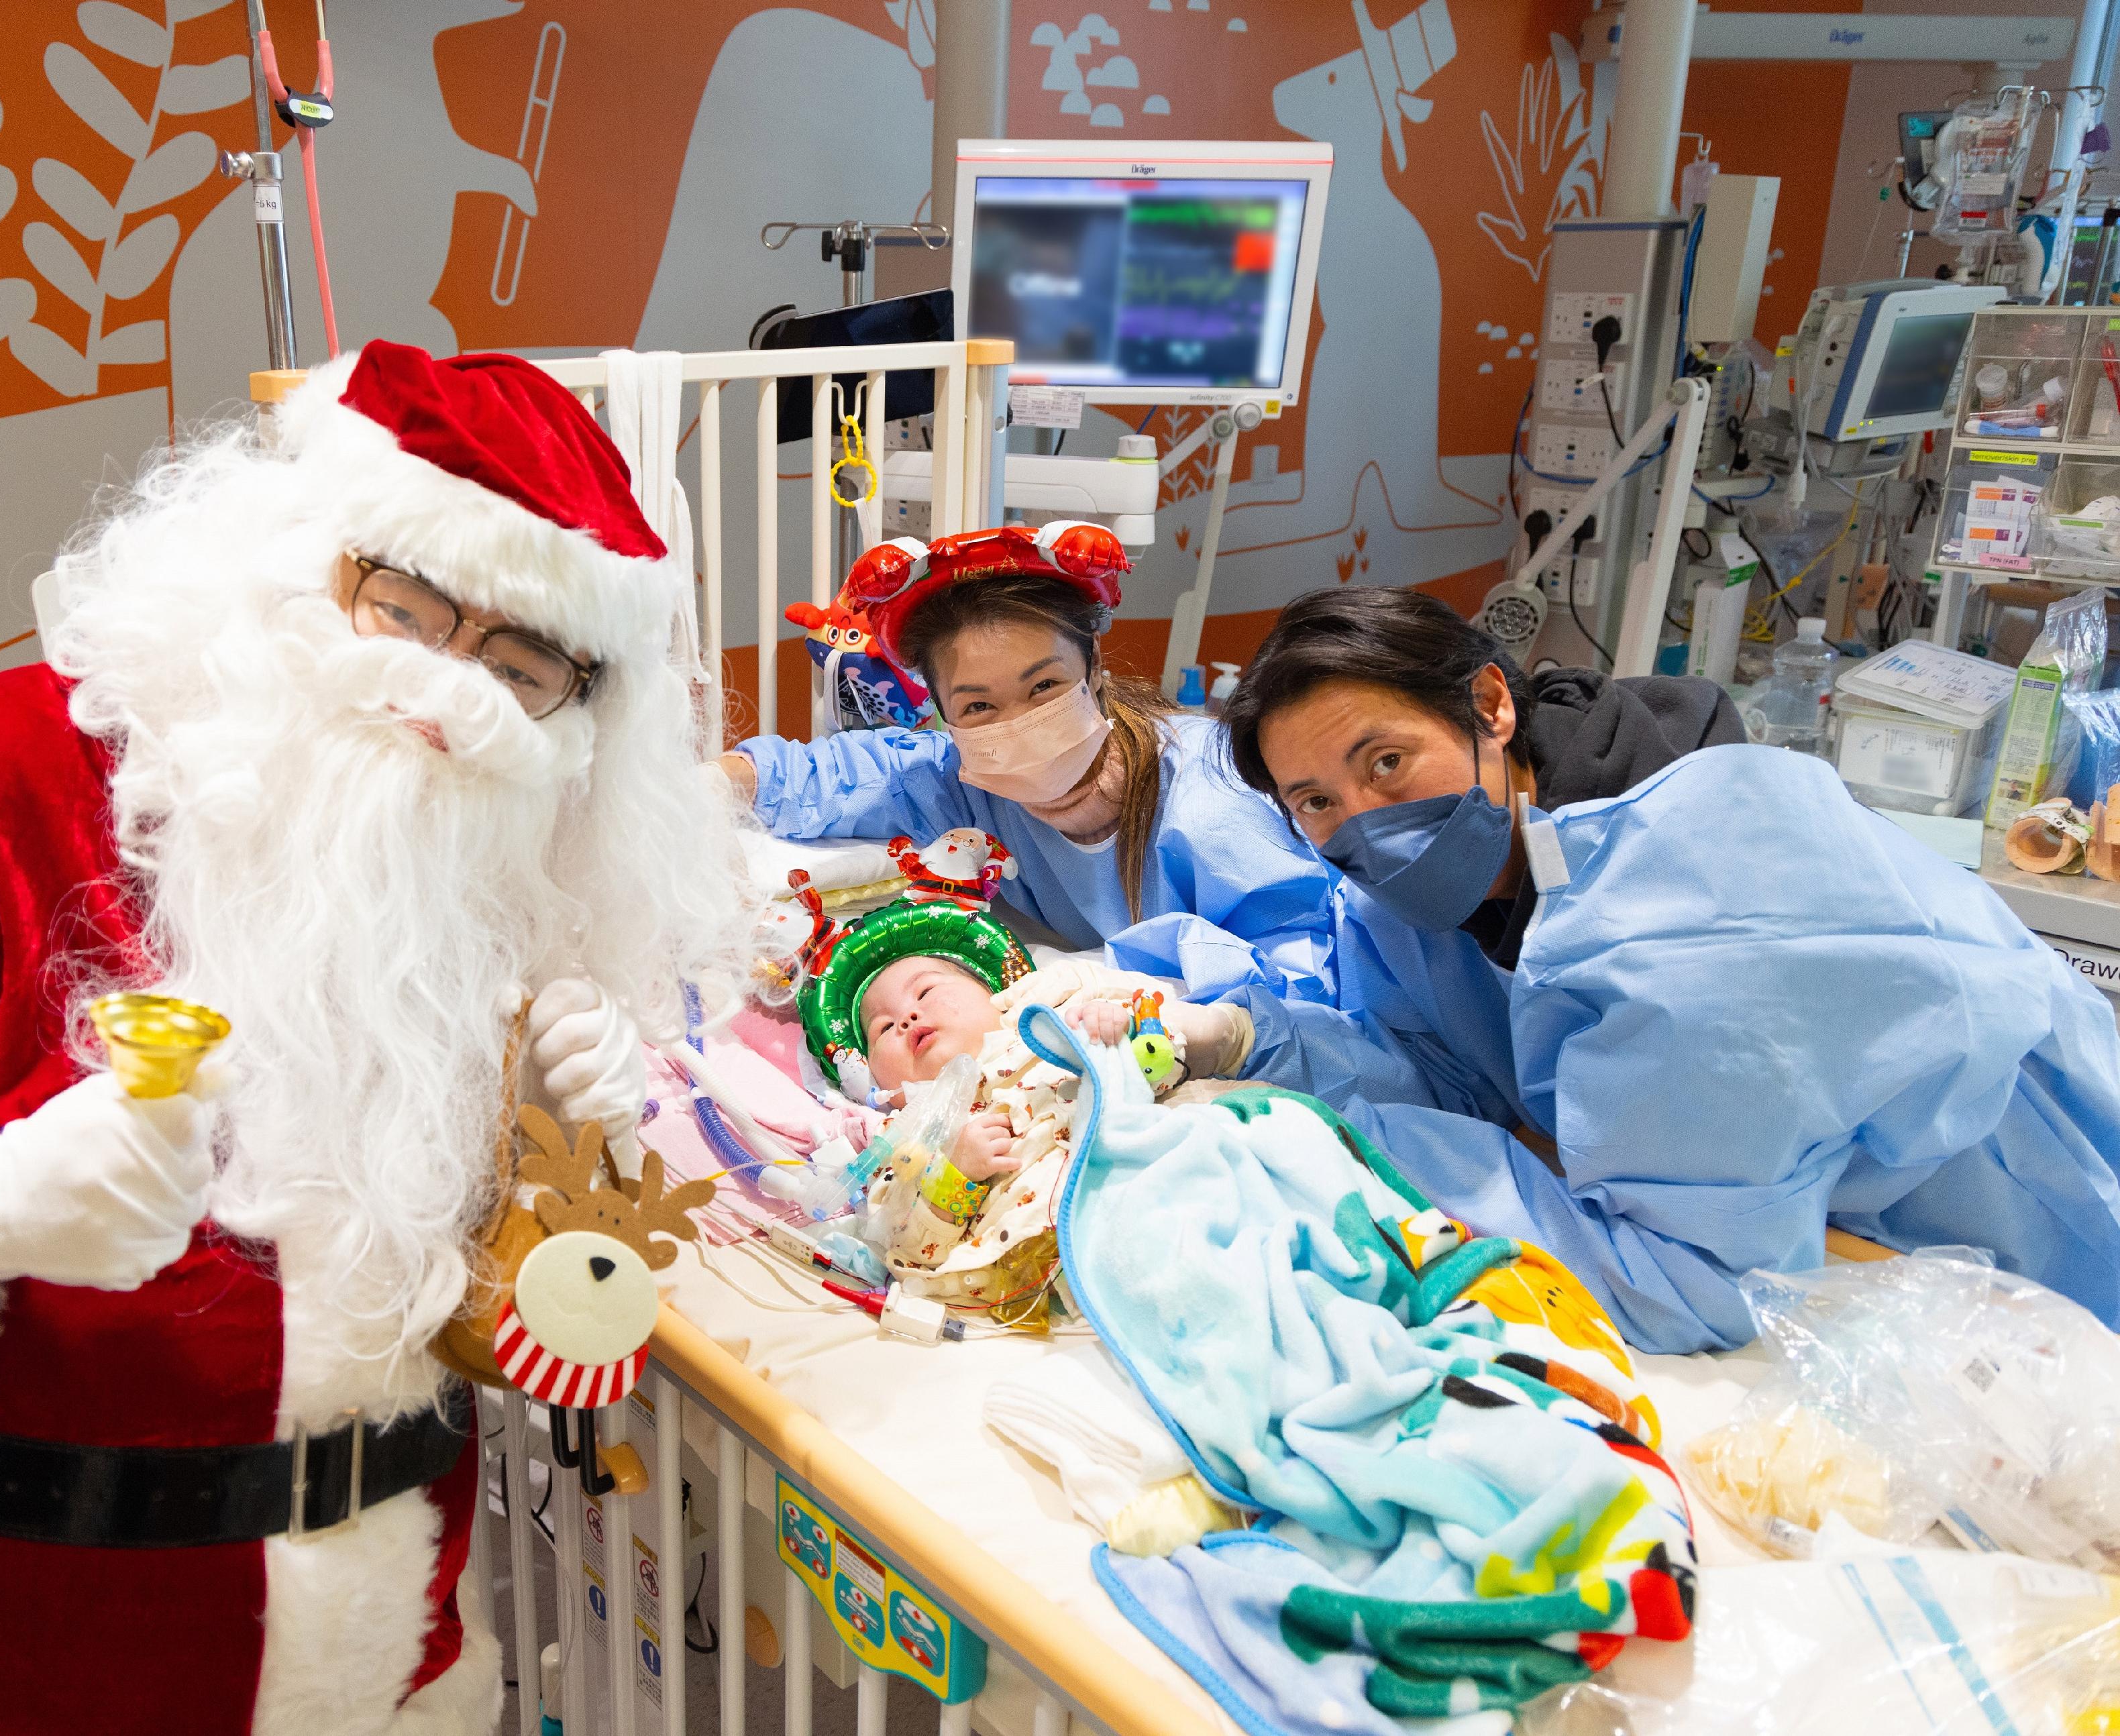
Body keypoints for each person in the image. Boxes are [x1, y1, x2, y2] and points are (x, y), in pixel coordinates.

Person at [0, 343, 749, 1736]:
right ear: (282, 560)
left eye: (520, 664)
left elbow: (491, 1327)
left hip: (386, 1673)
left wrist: (566, 1160)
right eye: (403, 605)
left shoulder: (504, 862)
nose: (448, 691)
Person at [1199, 584, 2120, 1355]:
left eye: (1387, 762)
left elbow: (1691, 1287)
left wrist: (1364, 1153)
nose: (1365, 821)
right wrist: (1260, 1045)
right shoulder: (1430, 888)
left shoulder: (1701, 913)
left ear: (1491, 707)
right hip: (1794, 1227)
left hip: (2014, 1228)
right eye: (1315, 801)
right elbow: (1454, 1071)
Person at [718, 525, 1339, 999]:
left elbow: (1308, 979)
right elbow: (822, 777)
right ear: (941, 714)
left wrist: (1174, 1016)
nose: (1019, 728)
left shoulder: (1209, 802)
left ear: (1094, 666)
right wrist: (687, 789)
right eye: (979, 705)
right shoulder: (965, 790)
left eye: (1044, 688)